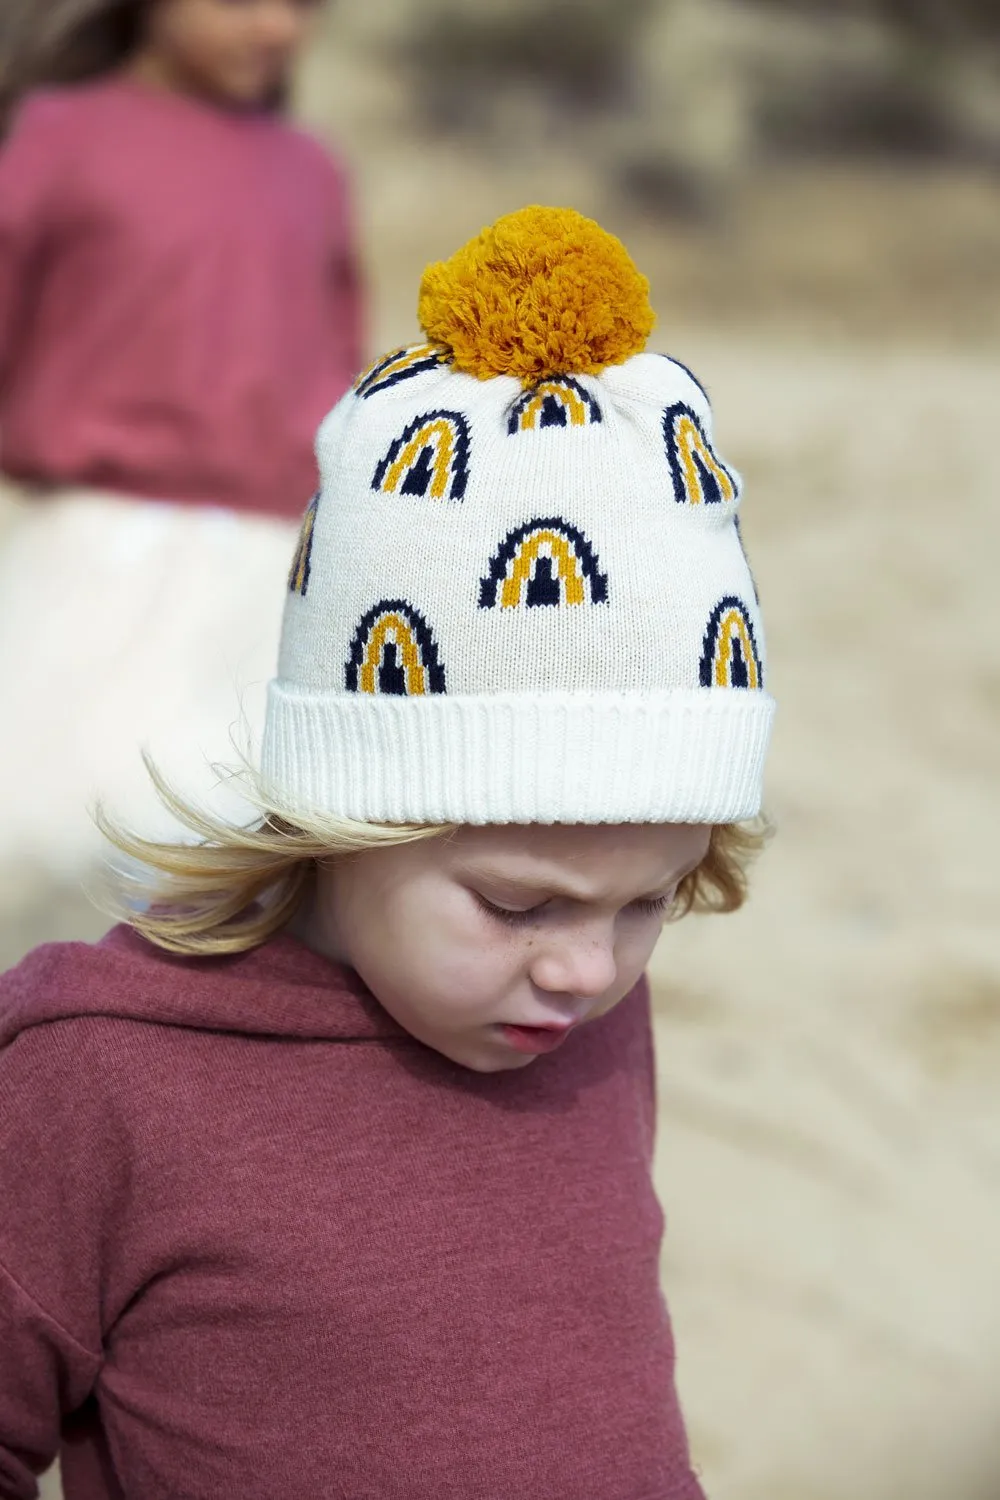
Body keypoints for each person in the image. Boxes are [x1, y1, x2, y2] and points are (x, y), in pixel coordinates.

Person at [0, 206, 775, 1499]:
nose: (587, 971)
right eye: (517, 904)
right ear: (337, 818)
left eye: (650, 902)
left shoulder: (572, 1026)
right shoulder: (95, 1081)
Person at [0, 0, 362, 879]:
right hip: (91, 554)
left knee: (220, 862)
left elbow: (339, 362)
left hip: (271, 575)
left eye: (303, 6)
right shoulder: (61, 135)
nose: (277, 28)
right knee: (50, 844)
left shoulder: (310, 170)